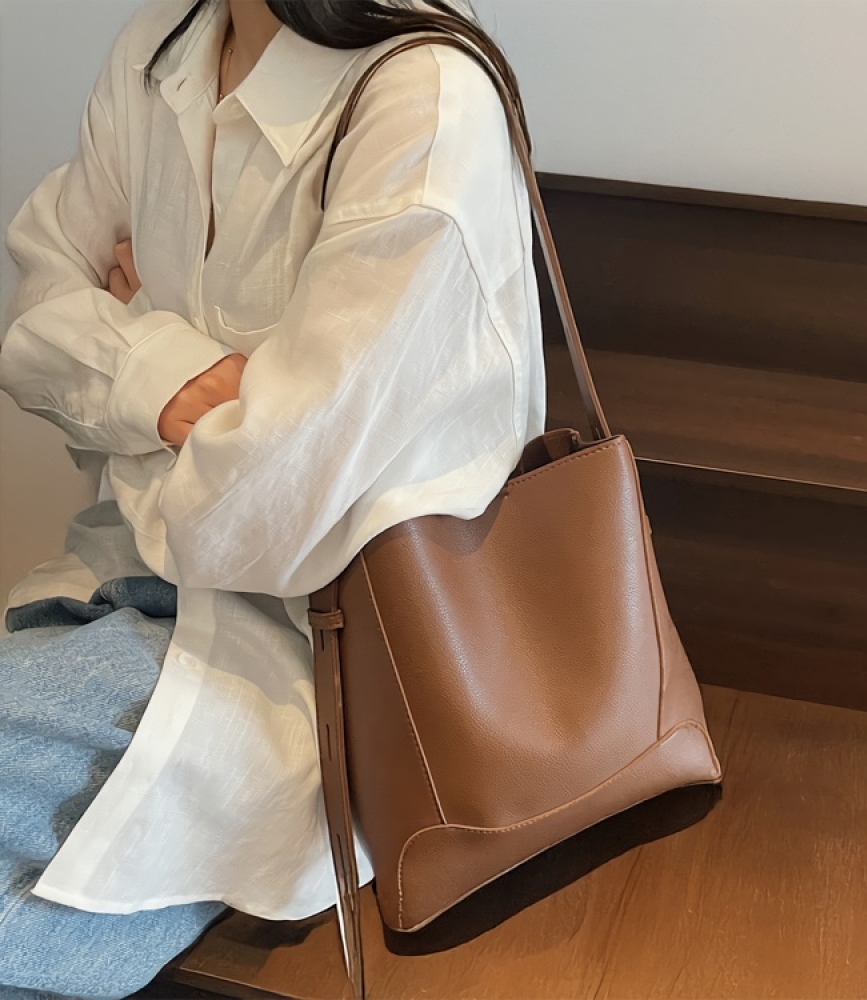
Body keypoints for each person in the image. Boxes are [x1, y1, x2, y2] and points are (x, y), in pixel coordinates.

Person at [0, 0, 545, 995]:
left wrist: (126, 354)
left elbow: (269, 524)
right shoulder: (161, 47)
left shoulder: (423, 102)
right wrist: (189, 382)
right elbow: (34, 310)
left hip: (322, 661)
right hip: (117, 582)